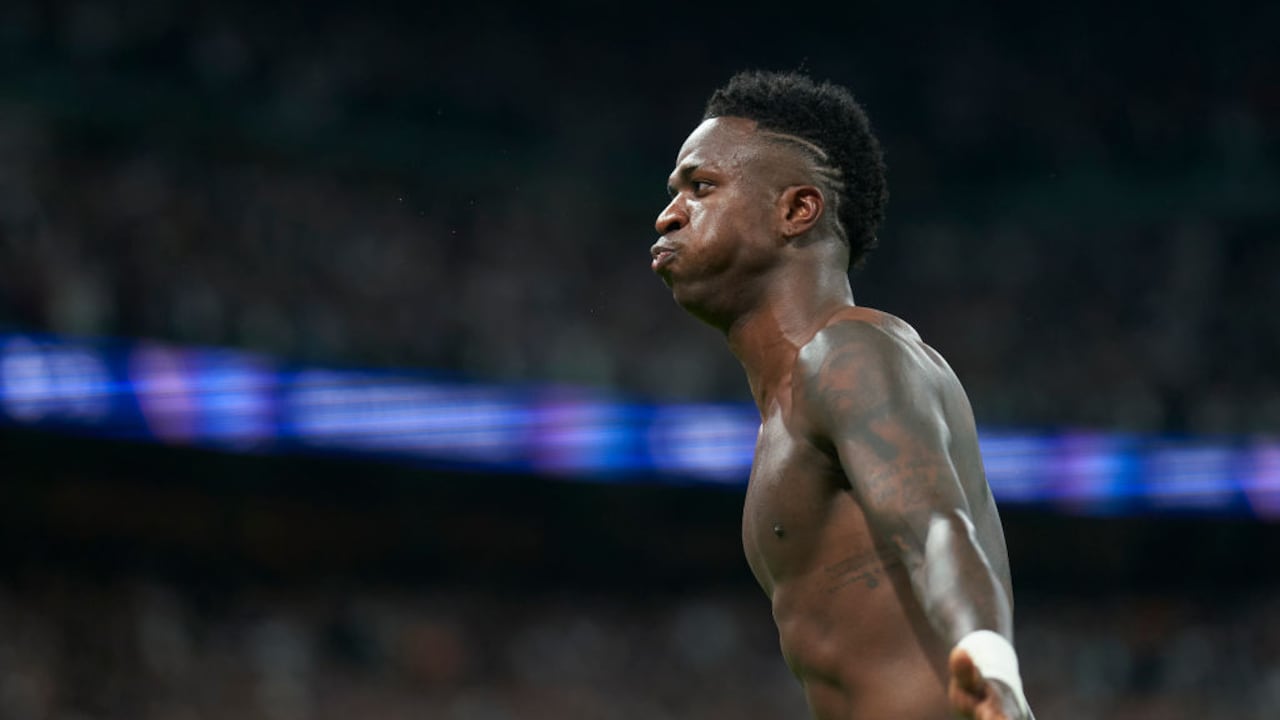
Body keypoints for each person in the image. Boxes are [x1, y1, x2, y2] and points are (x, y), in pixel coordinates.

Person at [650, 71, 1034, 720]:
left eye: (701, 186)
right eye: (674, 192)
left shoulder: (849, 353)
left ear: (796, 211)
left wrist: (989, 666)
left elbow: (936, 525)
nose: (668, 213)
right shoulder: (787, 408)